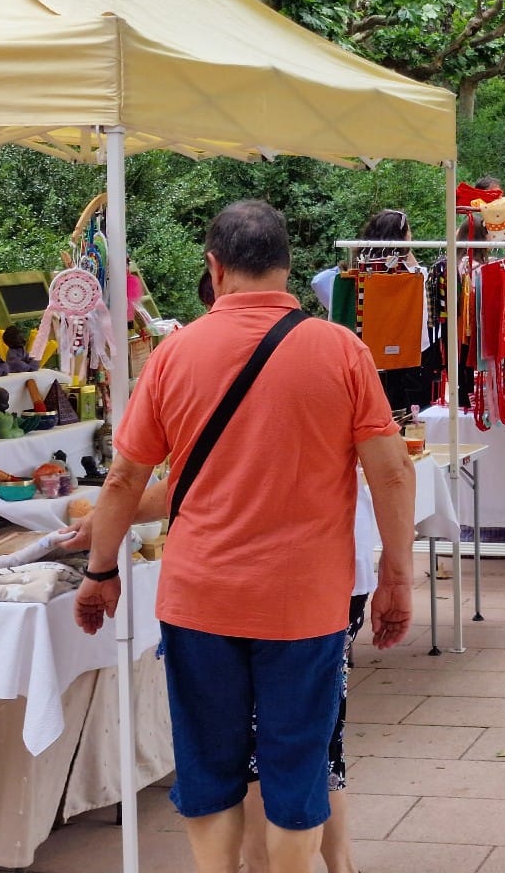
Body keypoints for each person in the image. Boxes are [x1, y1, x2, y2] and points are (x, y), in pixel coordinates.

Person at [74, 200, 416, 873]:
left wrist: (100, 570)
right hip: (306, 602)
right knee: (297, 763)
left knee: (209, 761)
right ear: (287, 268)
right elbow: (393, 471)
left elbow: (121, 482)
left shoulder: (174, 354)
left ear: (214, 266)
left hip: (200, 597)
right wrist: (396, 577)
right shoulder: (342, 349)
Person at [313, 208, 429, 417]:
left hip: (360, 352)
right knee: (397, 414)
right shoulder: (411, 278)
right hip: (400, 357)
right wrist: (404, 249)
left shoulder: (351, 276)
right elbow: (421, 273)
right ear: (402, 237)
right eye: (408, 231)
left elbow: (318, 281)